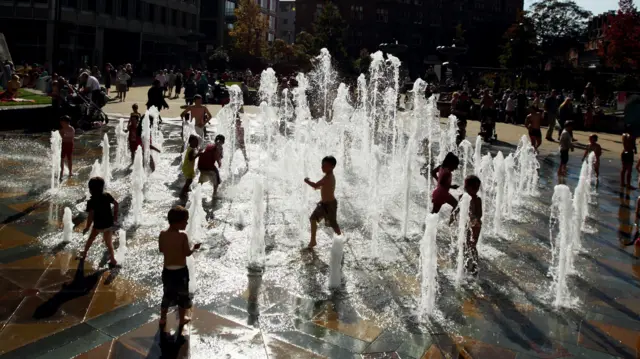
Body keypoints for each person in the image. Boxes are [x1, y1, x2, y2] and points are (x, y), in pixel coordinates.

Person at [158, 206, 201, 329]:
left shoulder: (162, 234)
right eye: (185, 221)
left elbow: (161, 249)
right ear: (178, 222)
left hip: (167, 271)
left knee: (166, 295)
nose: (187, 223)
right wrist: (194, 247)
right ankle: (182, 320)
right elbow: (187, 253)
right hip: (181, 272)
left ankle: (162, 319)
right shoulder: (183, 236)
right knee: (182, 296)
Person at [79, 177, 119, 268]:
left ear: (90, 190)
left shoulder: (91, 202)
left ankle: (84, 254)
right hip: (108, 224)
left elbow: (90, 216)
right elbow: (116, 204)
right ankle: (113, 259)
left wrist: (87, 227)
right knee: (109, 243)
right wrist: (115, 218)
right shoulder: (107, 195)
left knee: (91, 239)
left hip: (98, 226)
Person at [305, 156, 342, 248]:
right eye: (322, 165)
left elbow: (315, 185)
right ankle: (313, 241)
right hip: (323, 204)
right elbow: (322, 187)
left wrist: (307, 181)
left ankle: (340, 237)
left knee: (333, 223)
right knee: (313, 218)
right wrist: (319, 188)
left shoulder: (328, 178)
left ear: (332, 166)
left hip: (330, 205)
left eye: (325, 165)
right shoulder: (327, 177)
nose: (322, 167)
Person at [464, 175, 482, 276]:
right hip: (468, 224)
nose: (465, 188)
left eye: (466, 186)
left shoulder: (477, 200)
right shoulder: (464, 197)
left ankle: (475, 266)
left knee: (472, 245)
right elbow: (458, 209)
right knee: (466, 244)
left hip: (476, 226)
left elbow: (480, 214)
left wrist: (475, 218)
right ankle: (466, 263)